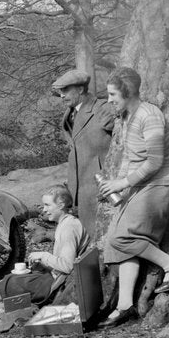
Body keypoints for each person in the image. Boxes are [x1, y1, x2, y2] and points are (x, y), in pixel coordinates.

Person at [97, 67, 169, 328]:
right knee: (117, 240)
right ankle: (124, 306)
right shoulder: (128, 116)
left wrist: (123, 182)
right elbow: (129, 158)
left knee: (123, 237)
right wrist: (120, 189)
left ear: (127, 93)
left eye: (113, 94)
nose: (110, 99)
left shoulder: (149, 115)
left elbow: (155, 161)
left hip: (161, 185)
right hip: (142, 187)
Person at [0, 185, 89, 317]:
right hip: (59, 279)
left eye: (47, 205)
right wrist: (44, 264)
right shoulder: (67, 223)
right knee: (14, 277)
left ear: (61, 205)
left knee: (13, 282)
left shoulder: (69, 228)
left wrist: (44, 256)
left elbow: (67, 266)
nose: (43, 210)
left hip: (59, 285)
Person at [52, 68, 116, 232]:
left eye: (66, 90)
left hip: (102, 188)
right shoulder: (69, 114)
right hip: (80, 189)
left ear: (80, 89)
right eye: (60, 91)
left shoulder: (103, 109)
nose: (61, 95)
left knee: (105, 235)